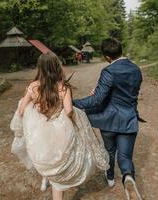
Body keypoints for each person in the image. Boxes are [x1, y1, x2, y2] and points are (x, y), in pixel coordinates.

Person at [10, 52, 109, 200]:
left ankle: (46, 179)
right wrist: (65, 118)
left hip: (40, 131)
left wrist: (35, 116)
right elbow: (69, 110)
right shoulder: (63, 87)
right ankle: (54, 181)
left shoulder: (32, 87)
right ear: (57, 66)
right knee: (60, 160)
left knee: (45, 157)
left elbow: (22, 110)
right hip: (59, 131)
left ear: (40, 68)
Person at [73, 38, 143, 200]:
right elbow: (127, 93)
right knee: (125, 157)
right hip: (129, 119)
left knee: (110, 151)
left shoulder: (109, 71)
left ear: (107, 57)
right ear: (121, 51)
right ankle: (128, 176)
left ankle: (110, 177)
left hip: (109, 120)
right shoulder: (136, 70)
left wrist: (73, 102)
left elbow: (97, 99)